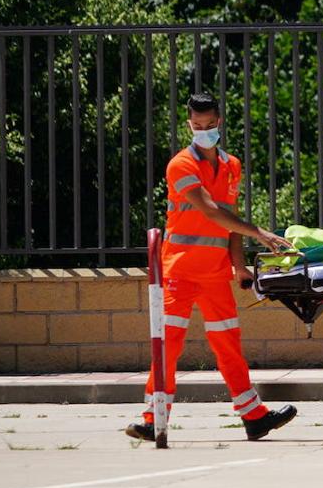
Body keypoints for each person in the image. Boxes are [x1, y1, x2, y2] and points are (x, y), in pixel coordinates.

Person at [125, 94, 297, 442]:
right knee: (167, 345)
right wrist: (260, 233)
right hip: (179, 271)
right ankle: (151, 419)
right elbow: (211, 211)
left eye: (209, 125)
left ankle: (254, 416)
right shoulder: (180, 165)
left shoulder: (231, 165)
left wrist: (240, 267)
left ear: (220, 123)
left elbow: (229, 223)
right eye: (197, 126)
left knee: (228, 345)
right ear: (189, 124)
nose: (203, 131)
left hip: (216, 274)